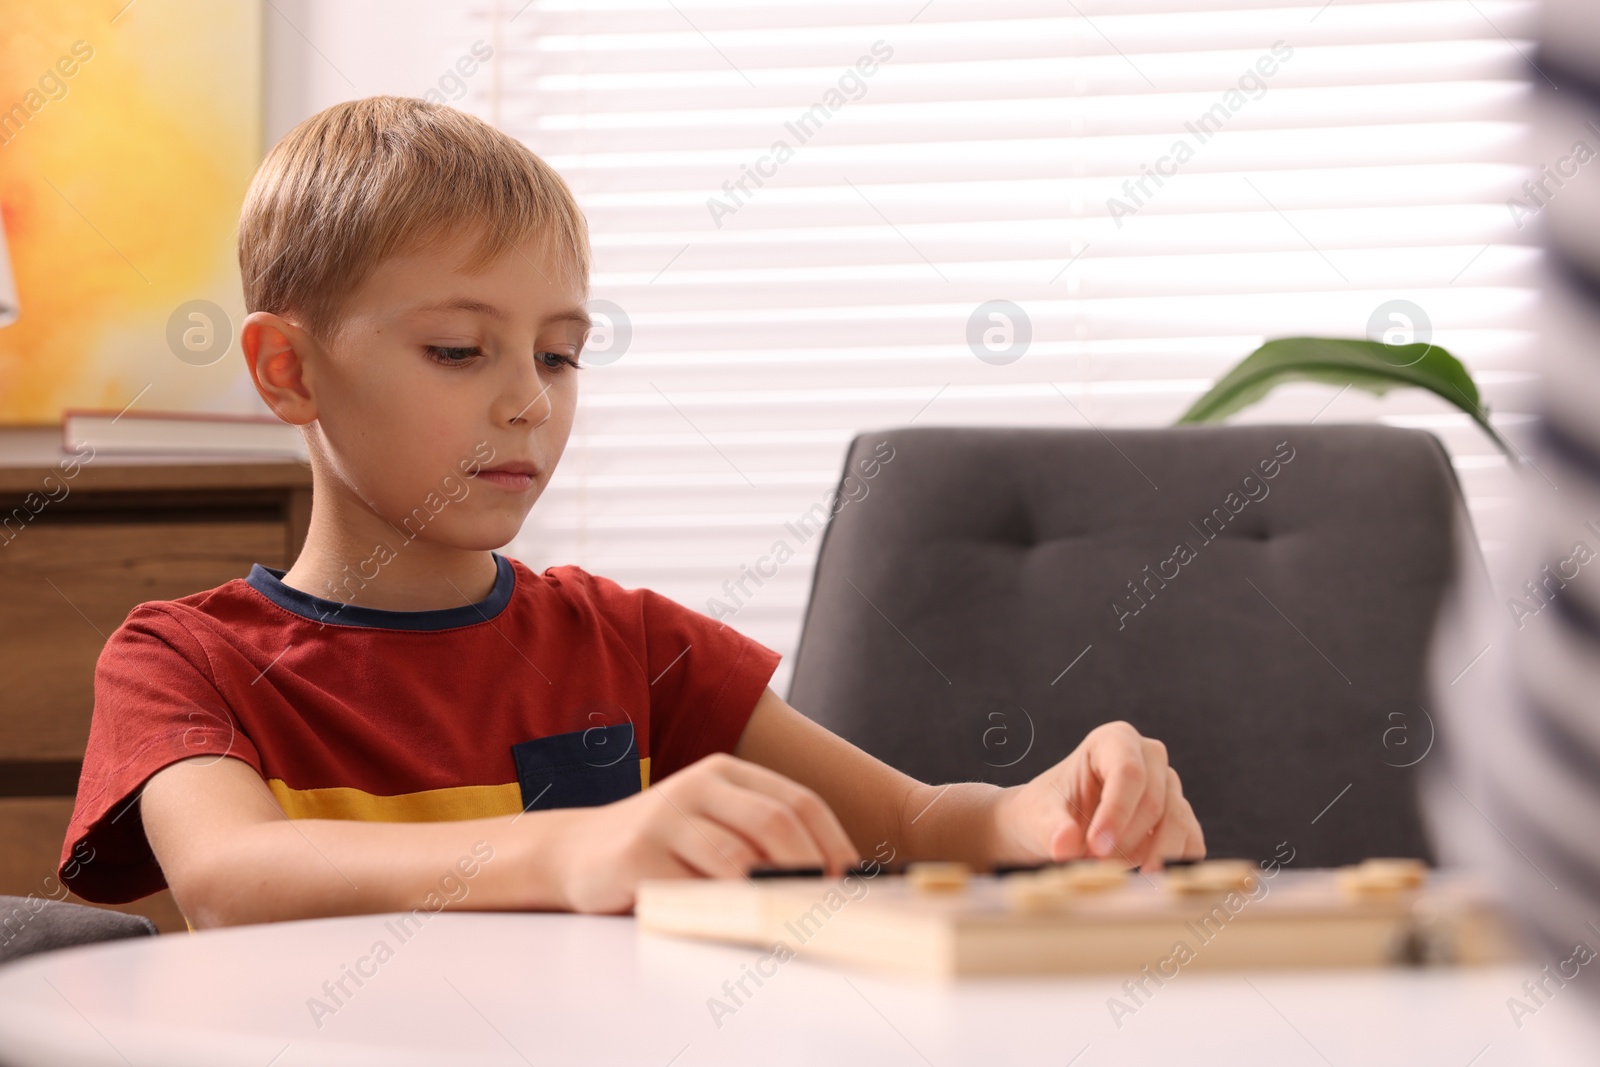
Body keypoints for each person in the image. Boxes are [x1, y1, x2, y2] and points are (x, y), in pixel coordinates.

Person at [59, 97, 1203, 927]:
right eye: (458, 349)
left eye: (559, 355)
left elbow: (915, 822)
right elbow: (232, 875)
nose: (525, 400)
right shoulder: (181, 660)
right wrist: (576, 844)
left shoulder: (633, 643)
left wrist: (1050, 808)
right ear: (287, 371)